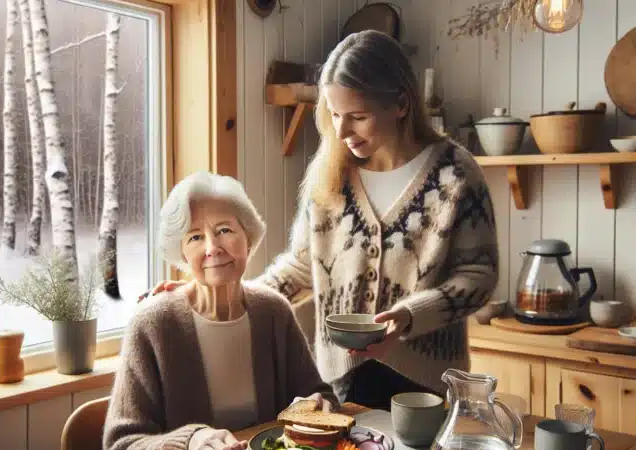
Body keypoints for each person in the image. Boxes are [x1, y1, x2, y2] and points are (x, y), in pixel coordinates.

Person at [142, 29, 499, 411]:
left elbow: (478, 276)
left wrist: (409, 317)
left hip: (427, 384)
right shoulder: (332, 174)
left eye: (358, 117)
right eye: (334, 114)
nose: (342, 132)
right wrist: (205, 297)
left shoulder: (455, 174)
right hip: (342, 381)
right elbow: (300, 269)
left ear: (400, 104)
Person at [103, 171, 337, 450]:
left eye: (224, 230)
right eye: (195, 237)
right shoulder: (152, 324)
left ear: (248, 238)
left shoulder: (274, 311)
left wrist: (320, 406)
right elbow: (121, 447)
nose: (212, 247)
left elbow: (322, 397)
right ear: (182, 252)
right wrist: (188, 441)